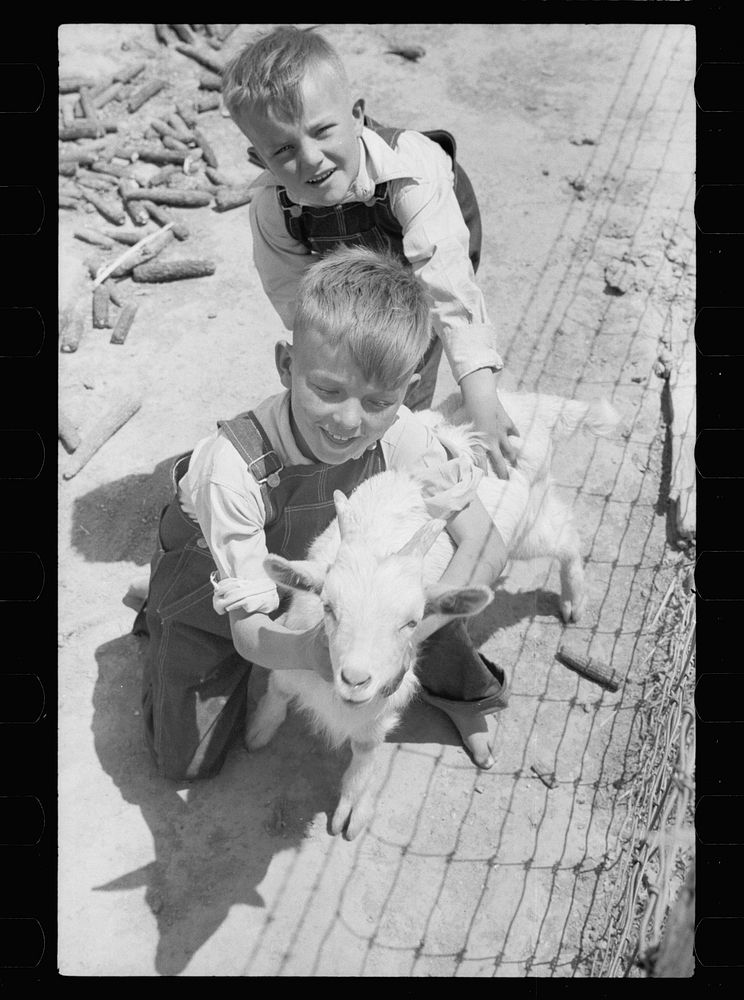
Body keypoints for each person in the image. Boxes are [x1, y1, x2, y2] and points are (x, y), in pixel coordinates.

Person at [134, 247, 517, 783]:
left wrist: (399, 630)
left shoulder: (401, 431)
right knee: (188, 761)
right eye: (327, 390)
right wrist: (313, 653)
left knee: (411, 597)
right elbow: (250, 635)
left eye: (378, 401)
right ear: (287, 365)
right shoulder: (234, 470)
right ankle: (162, 613)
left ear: (406, 391)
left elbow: (484, 543)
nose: (348, 421)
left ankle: (455, 691)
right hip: (220, 569)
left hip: (346, 588)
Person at [221, 24, 519, 479]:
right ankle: (361, 447)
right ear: (259, 158)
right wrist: (332, 370)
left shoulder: (411, 170)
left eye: (323, 131)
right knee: (350, 359)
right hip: (338, 266)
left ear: (357, 114)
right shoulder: (271, 208)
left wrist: (481, 397)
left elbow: (447, 285)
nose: (311, 159)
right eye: (283, 149)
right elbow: (295, 297)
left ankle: (403, 438)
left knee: (407, 353)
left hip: (420, 248)